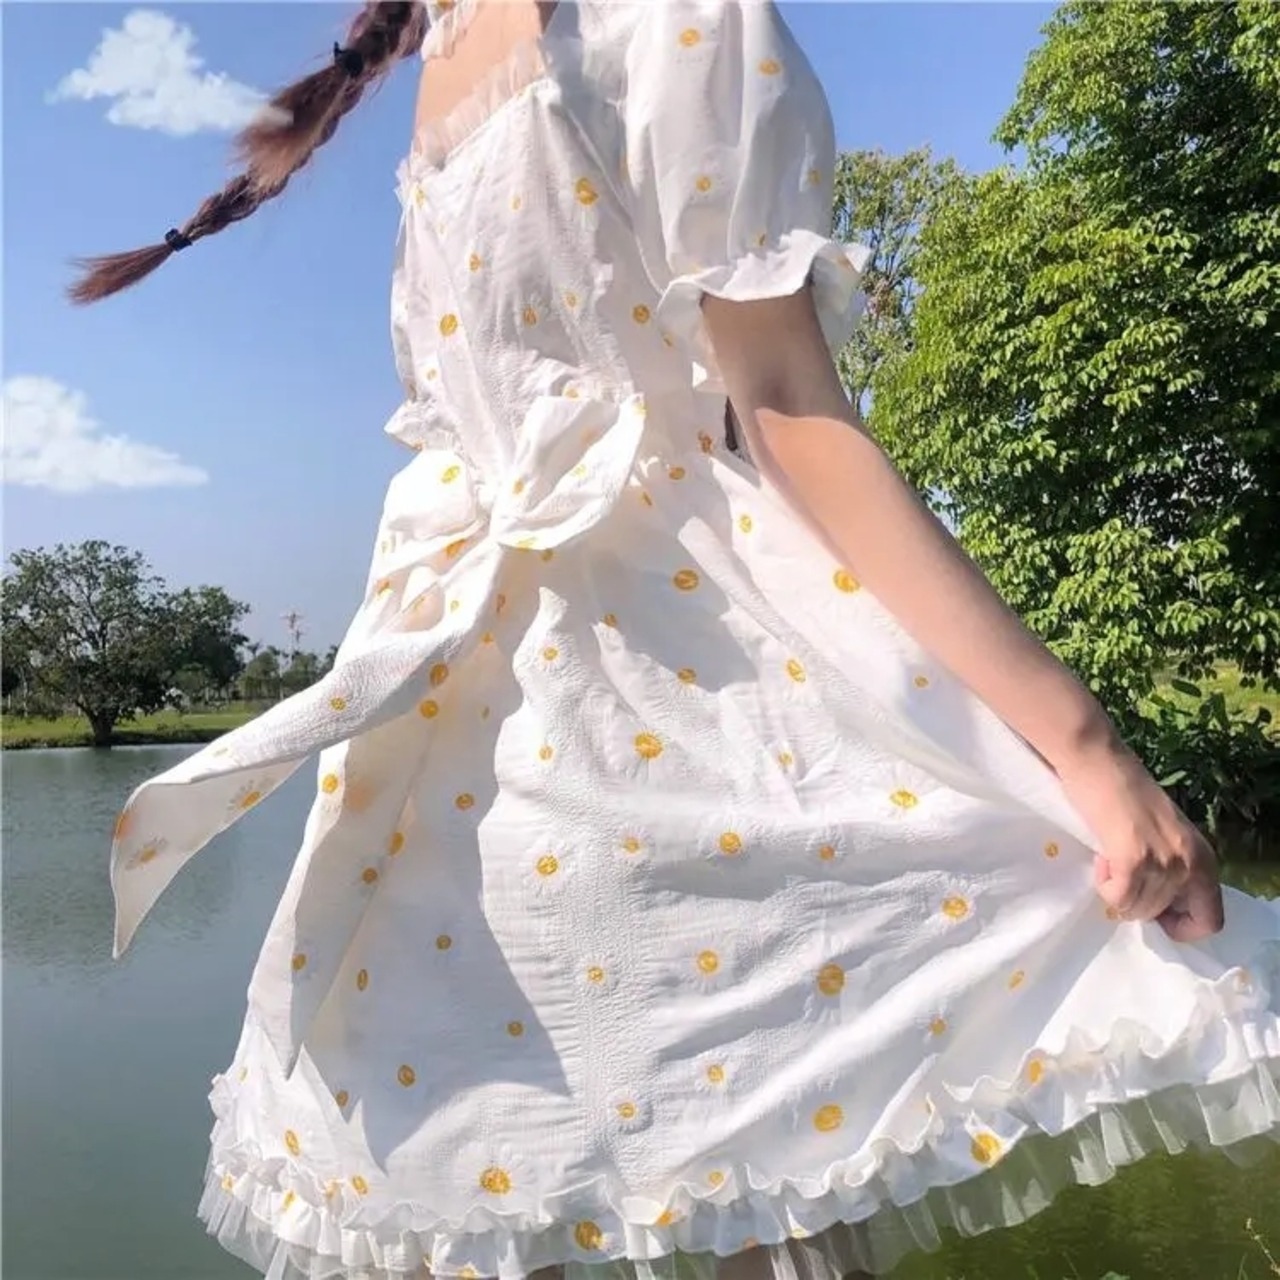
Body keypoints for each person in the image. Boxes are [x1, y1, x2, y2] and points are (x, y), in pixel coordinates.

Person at [73, 3, 1279, 1279]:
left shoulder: (449, 74)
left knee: (483, 1212)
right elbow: (787, 405)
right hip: (676, 728)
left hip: (456, 786)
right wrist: (1084, 751)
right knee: (761, 1195)